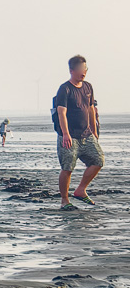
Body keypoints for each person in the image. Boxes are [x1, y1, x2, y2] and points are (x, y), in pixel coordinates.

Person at [53, 55, 104, 211]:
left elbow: (90, 110)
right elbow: (62, 113)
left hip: (86, 135)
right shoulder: (65, 89)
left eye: (86, 69)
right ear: (72, 70)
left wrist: (94, 132)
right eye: (81, 69)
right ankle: (64, 200)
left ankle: (81, 190)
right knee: (68, 167)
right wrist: (66, 134)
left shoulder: (88, 86)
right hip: (69, 136)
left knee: (98, 160)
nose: (84, 72)